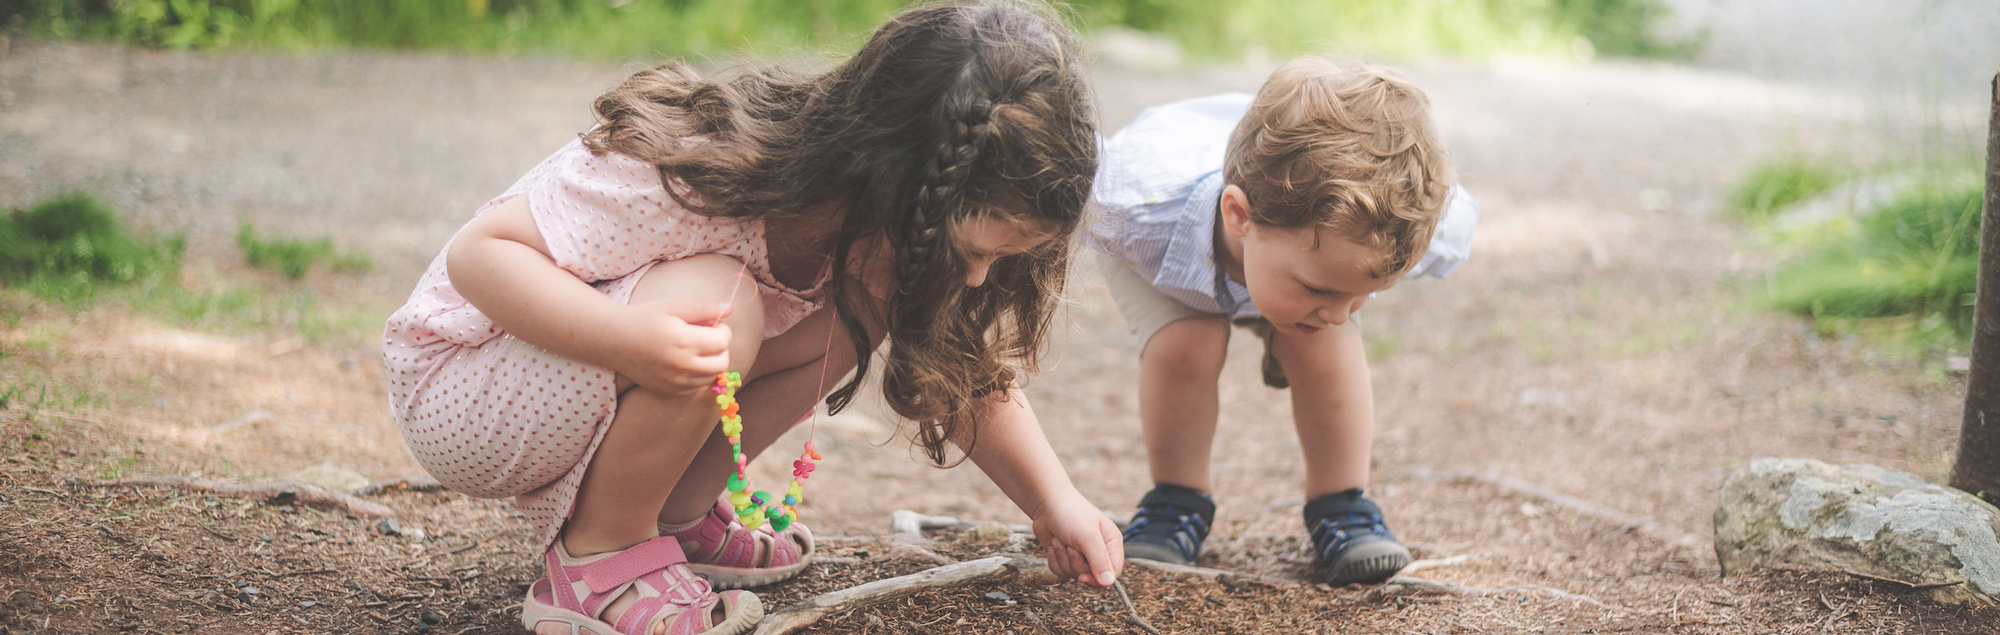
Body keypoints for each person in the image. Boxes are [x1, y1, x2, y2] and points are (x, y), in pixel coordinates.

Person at [381, 2, 1122, 633]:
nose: (975, 275)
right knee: (717, 302)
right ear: (896, 174)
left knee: (857, 310)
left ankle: (669, 517)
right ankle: (598, 560)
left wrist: (1055, 500)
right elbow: (480, 256)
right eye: (974, 248)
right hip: (466, 385)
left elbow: (956, 363)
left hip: (563, 385)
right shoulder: (698, 172)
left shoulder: (883, 242)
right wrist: (626, 339)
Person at [1087, 57, 1476, 586]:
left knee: (1325, 342)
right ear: (1238, 217)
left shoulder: (1398, 224)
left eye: (1361, 293)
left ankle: (1343, 507)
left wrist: (1320, 299)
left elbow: (1339, 285)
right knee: (1189, 342)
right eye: (1321, 289)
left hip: (1269, 257)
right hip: (1164, 261)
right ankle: (1175, 504)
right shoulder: (1132, 206)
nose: (1341, 310)